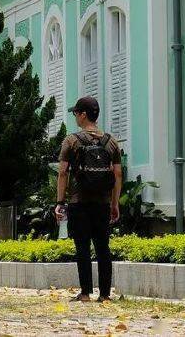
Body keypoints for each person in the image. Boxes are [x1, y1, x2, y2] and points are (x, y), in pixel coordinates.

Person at [54, 96, 122, 303]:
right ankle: (105, 295)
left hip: (78, 202)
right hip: (102, 203)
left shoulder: (71, 141)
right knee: (103, 247)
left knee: (82, 246)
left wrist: (60, 202)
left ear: (83, 115)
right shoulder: (111, 142)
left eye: (76, 113)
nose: (75, 116)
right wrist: (114, 203)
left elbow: (63, 172)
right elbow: (118, 174)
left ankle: (85, 293)